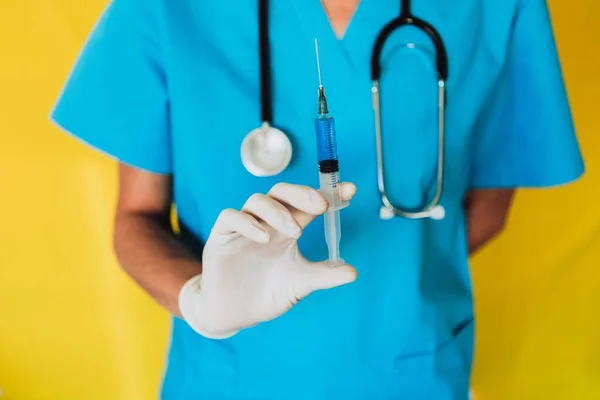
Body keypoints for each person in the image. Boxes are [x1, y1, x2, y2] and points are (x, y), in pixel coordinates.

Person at [50, 0, 584, 398]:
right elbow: (136, 216)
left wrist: (388, 279)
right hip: (230, 377)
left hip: (410, 370)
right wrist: (202, 301)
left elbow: (488, 211)